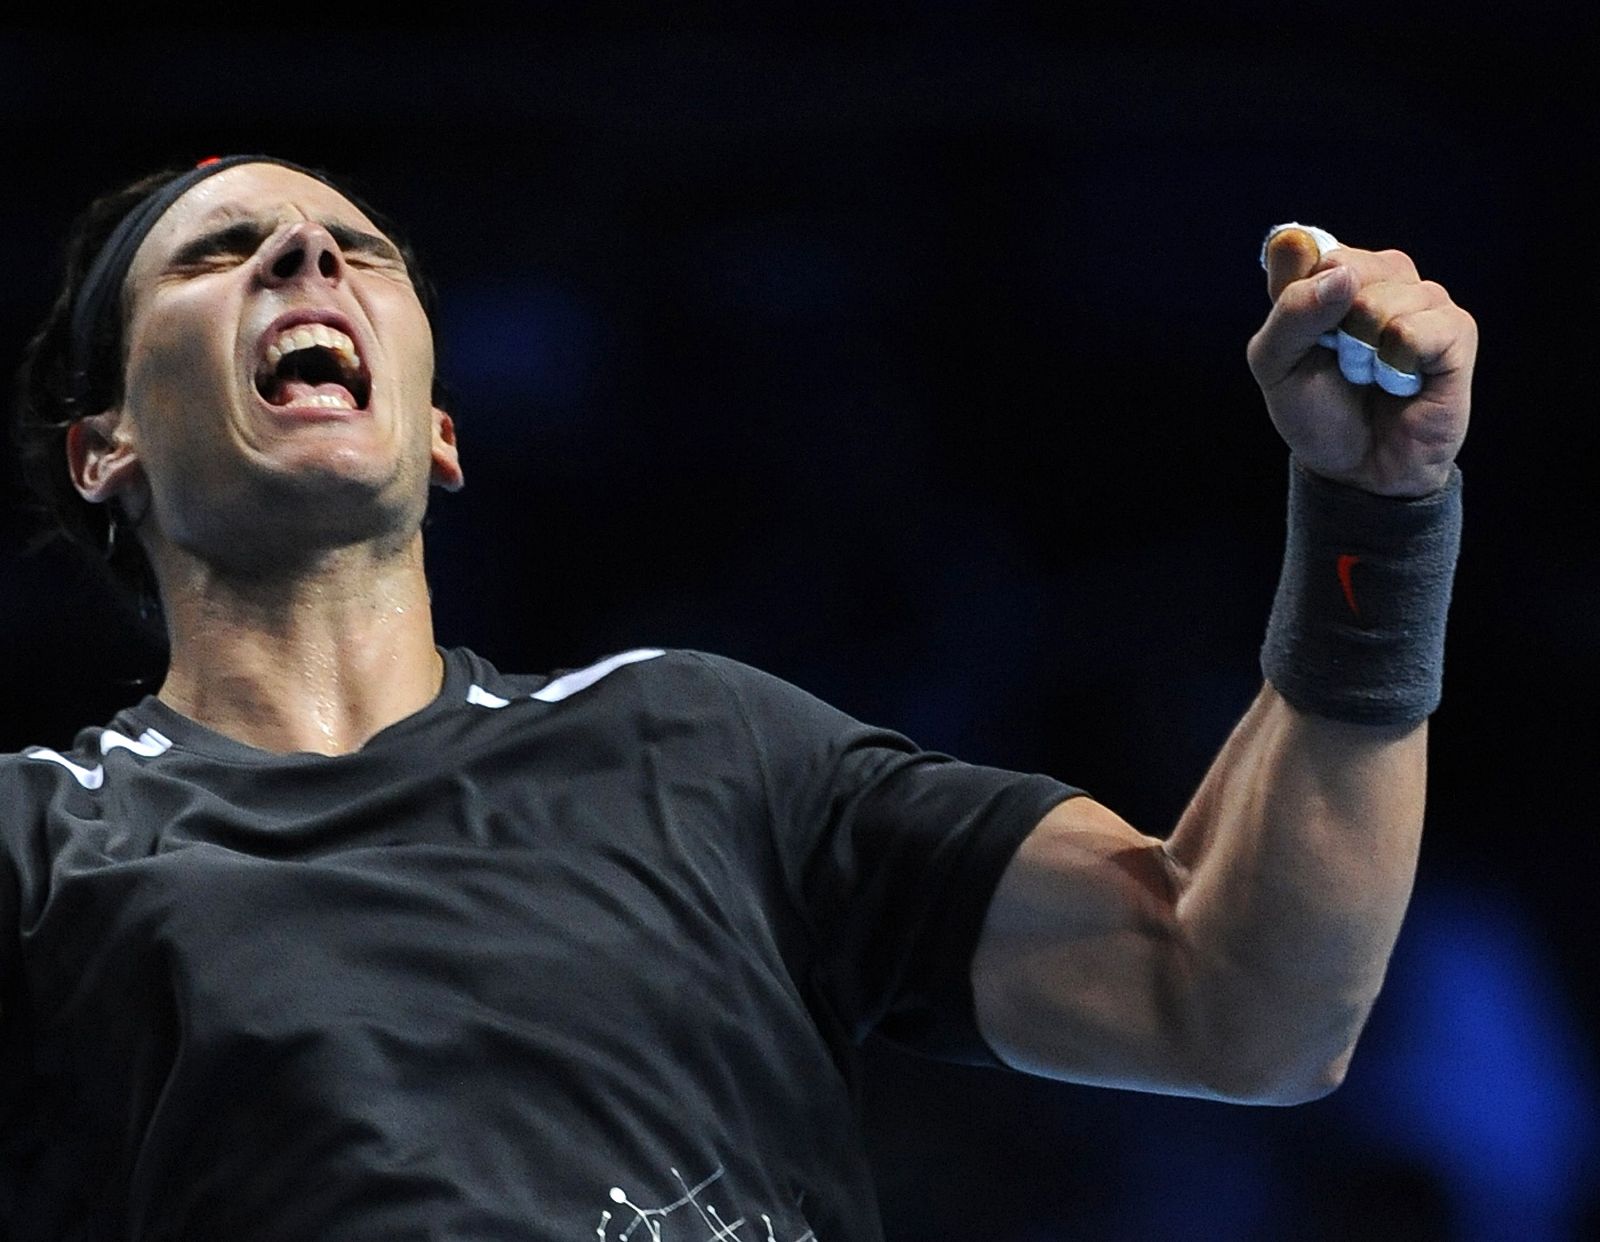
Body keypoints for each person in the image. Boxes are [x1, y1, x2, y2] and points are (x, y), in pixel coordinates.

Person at [0, 156, 1474, 1241]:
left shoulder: (701, 745)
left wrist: (1375, 513)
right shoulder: (39, 845)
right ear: (104, 446)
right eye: (223, 253)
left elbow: (1243, 996)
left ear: (438, 433)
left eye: (355, 249)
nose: (306, 261)